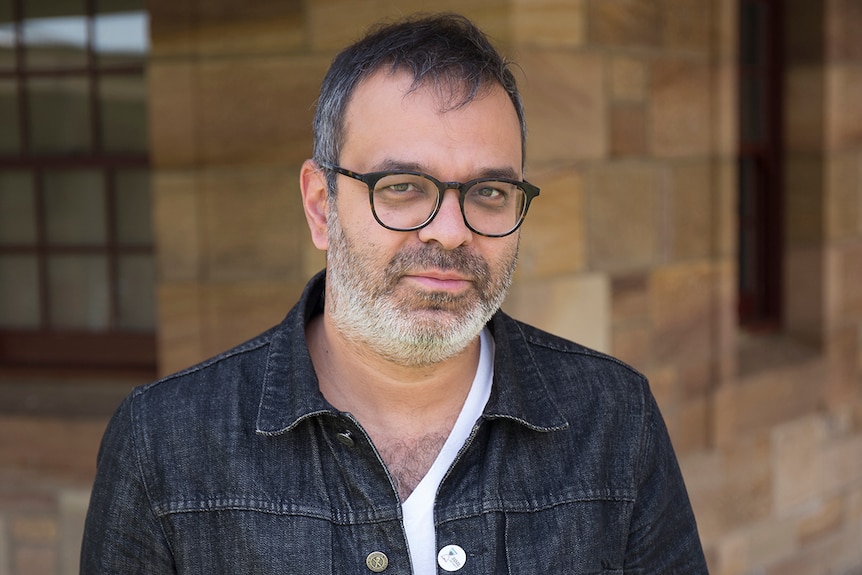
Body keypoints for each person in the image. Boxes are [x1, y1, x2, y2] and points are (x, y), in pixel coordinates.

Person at [81, 13, 708, 574]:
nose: (451, 231)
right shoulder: (165, 445)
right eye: (403, 186)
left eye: (489, 193)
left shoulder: (613, 420)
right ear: (321, 206)